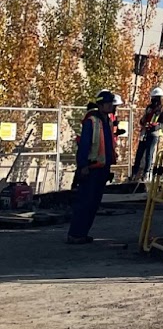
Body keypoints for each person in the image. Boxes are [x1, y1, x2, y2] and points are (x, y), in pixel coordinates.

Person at [68, 91, 118, 244]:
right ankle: (75, 234)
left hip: (102, 168)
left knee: (94, 203)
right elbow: (84, 145)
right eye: (108, 103)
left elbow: (107, 144)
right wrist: (83, 165)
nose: (111, 106)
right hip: (91, 169)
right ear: (101, 104)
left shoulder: (107, 120)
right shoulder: (92, 121)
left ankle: (82, 233)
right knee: (85, 202)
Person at [131, 86, 163, 186]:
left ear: (159, 98)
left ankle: (146, 174)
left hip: (153, 135)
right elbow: (142, 121)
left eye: (155, 98)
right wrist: (144, 119)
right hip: (144, 133)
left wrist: (155, 125)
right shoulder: (149, 108)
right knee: (139, 154)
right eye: (152, 98)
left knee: (149, 154)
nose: (153, 100)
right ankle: (134, 174)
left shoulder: (162, 110)